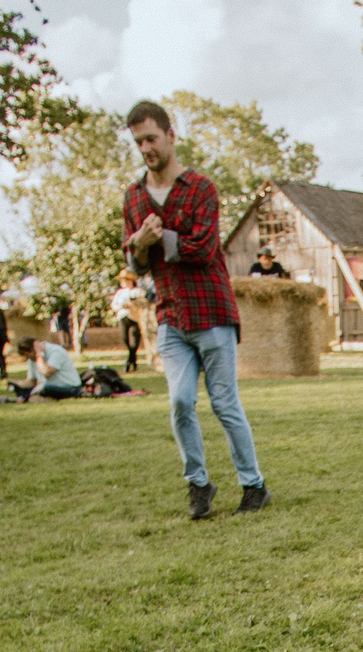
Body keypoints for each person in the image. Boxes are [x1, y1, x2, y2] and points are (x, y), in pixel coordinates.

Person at [122, 98, 267, 520]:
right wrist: (139, 247)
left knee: (224, 403)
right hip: (170, 315)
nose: (146, 148)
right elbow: (134, 262)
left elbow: (203, 249)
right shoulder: (133, 198)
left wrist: (155, 239)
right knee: (180, 403)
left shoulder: (200, 189)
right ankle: (199, 485)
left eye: (151, 138)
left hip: (212, 313)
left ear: (170, 134)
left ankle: (254, 486)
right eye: (138, 142)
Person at [5, 335, 80, 401]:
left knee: (43, 387)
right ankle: (28, 397)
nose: (29, 359)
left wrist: (39, 354)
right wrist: (18, 384)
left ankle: (27, 398)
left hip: (68, 387)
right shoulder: (32, 359)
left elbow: (47, 373)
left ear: (32, 350)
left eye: (28, 356)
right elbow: (32, 381)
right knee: (30, 389)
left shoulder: (56, 351)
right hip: (47, 387)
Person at [110, 269, 151, 372]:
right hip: (123, 317)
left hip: (135, 318)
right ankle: (132, 359)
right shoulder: (119, 293)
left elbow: (144, 303)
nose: (125, 282)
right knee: (125, 339)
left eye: (127, 280)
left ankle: (128, 363)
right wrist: (121, 306)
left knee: (134, 342)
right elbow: (114, 305)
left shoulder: (139, 291)